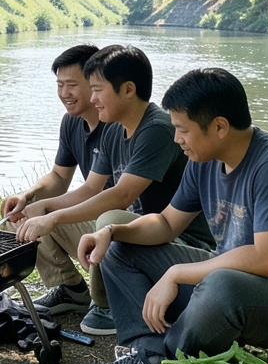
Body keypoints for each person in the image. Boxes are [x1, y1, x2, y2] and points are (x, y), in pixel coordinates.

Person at [70, 68, 268, 364]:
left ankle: (163, 363)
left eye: (182, 129)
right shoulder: (203, 159)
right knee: (120, 246)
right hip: (229, 279)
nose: (176, 138)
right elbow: (167, 224)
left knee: (221, 283)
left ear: (220, 127)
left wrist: (177, 273)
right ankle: (148, 357)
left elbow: (266, 259)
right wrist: (112, 231)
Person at [14, 45, 214, 336]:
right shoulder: (115, 130)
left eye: (97, 90)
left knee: (109, 218)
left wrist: (54, 216)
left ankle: (106, 304)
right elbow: (92, 189)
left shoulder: (156, 128)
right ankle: (71, 291)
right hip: (134, 232)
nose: (93, 99)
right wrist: (43, 208)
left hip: (179, 239)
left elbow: (122, 195)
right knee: (46, 212)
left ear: (128, 89)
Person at [0, 45, 115, 322]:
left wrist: (45, 209)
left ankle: (112, 297)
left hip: (117, 223)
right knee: (22, 216)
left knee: (44, 213)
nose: (64, 93)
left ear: (95, 83)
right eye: (60, 85)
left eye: (72, 85)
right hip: (94, 218)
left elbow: (93, 190)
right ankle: (69, 289)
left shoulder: (114, 123)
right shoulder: (71, 123)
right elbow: (60, 177)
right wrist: (28, 198)